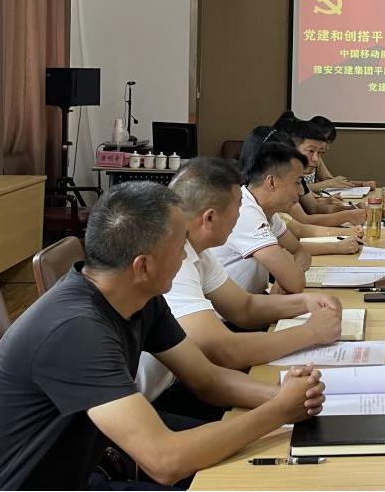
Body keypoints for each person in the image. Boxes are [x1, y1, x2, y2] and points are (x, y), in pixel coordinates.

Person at [0, 182, 325, 491]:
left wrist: (290, 397)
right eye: (179, 246)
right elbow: (164, 461)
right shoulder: (75, 329)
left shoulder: (141, 298)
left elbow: (207, 379)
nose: (185, 257)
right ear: (142, 266)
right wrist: (278, 411)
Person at [137, 158, 346, 417]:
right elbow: (224, 350)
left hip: (173, 383)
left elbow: (244, 307)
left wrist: (305, 302)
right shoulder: (171, 262)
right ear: (209, 218)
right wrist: (311, 332)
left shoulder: (195, 250)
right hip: (145, 403)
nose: (241, 214)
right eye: (238, 207)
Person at [211, 142, 359, 295]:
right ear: (272, 182)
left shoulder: (267, 211)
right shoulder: (246, 213)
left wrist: (292, 272)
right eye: (297, 182)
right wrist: (290, 277)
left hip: (255, 300)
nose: (301, 191)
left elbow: (300, 251)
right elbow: (295, 283)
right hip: (230, 309)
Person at [247, 121, 366, 227]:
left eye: (319, 153)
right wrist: (347, 216)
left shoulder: (298, 177)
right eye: (310, 151)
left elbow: (314, 208)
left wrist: (350, 209)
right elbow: (303, 223)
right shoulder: (282, 181)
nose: (315, 159)